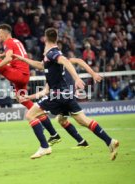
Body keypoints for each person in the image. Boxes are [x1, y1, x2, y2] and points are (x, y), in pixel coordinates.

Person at [14, 28, 119, 160]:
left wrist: (76, 78)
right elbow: (40, 65)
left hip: (58, 95)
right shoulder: (50, 57)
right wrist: (21, 58)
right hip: (66, 95)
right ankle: (110, 142)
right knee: (82, 121)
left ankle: (45, 147)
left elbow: (65, 61)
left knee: (30, 115)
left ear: (46, 39)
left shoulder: (52, 53)